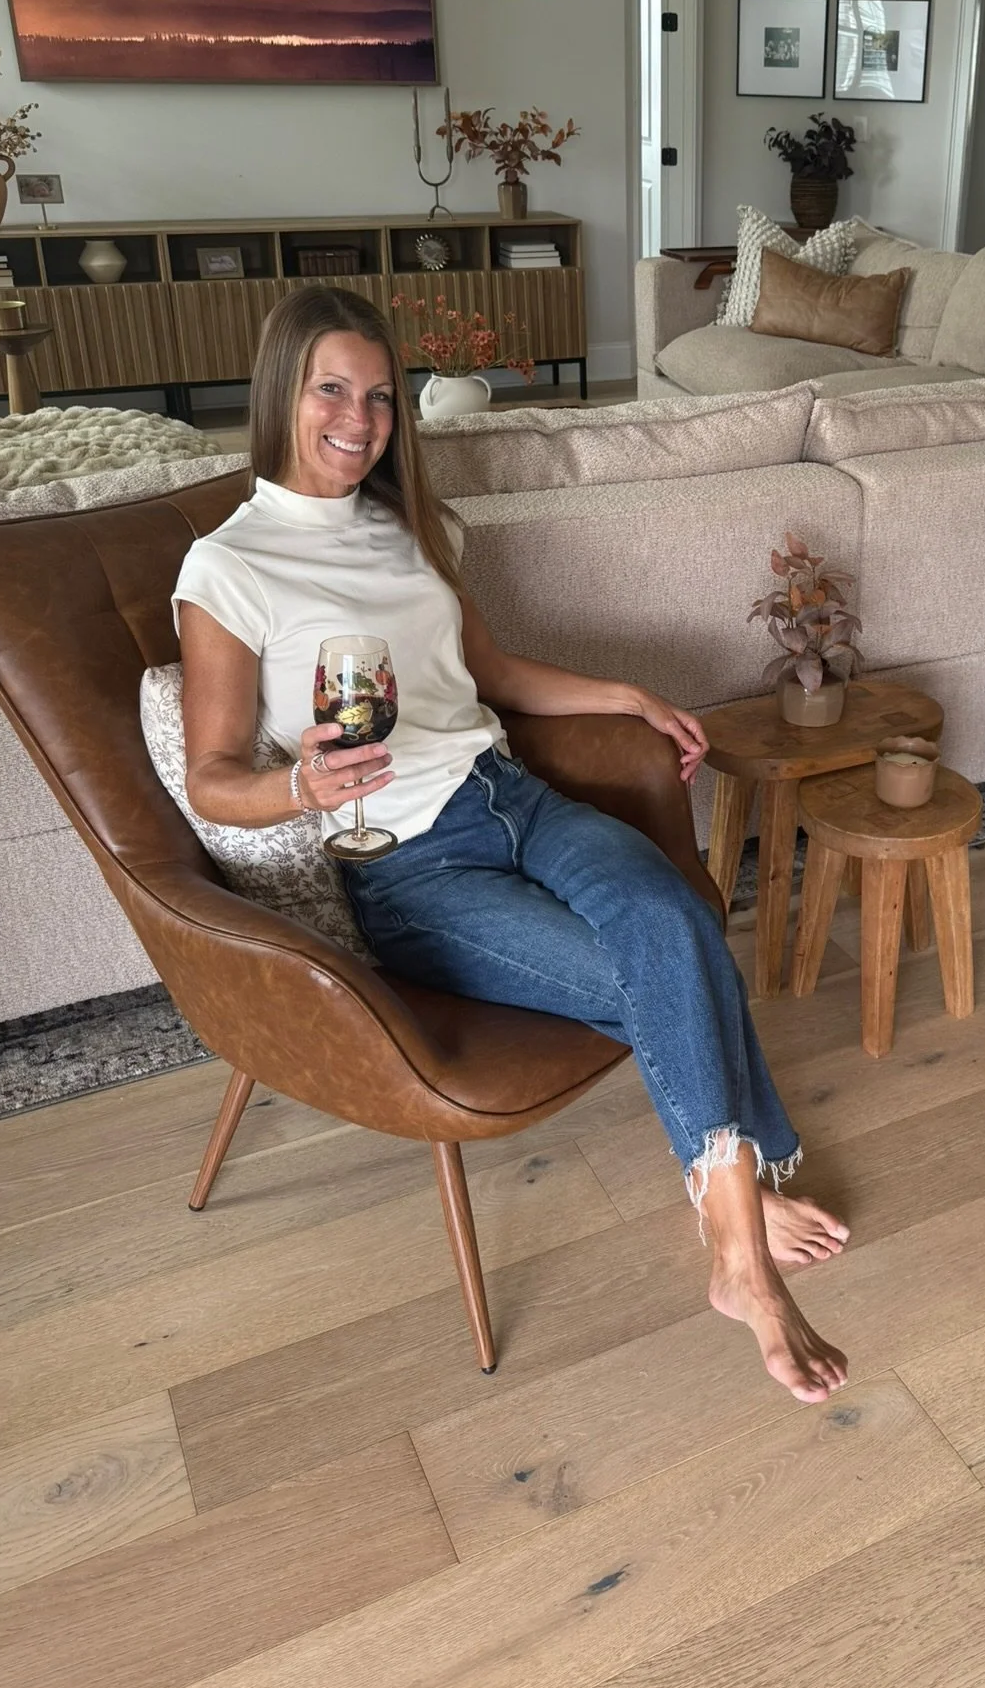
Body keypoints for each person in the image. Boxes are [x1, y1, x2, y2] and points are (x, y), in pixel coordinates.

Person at [172, 286, 849, 1403]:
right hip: (410, 864)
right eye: (332, 389)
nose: (359, 420)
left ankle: (738, 1208)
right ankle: (740, 1239)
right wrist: (298, 784)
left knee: (674, 914)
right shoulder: (229, 569)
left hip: (513, 799)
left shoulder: (405, 526)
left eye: (380, 397)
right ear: (280, 391)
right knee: (662, 965)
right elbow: (210, 777)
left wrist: (626, 693)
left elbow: (485, 674)